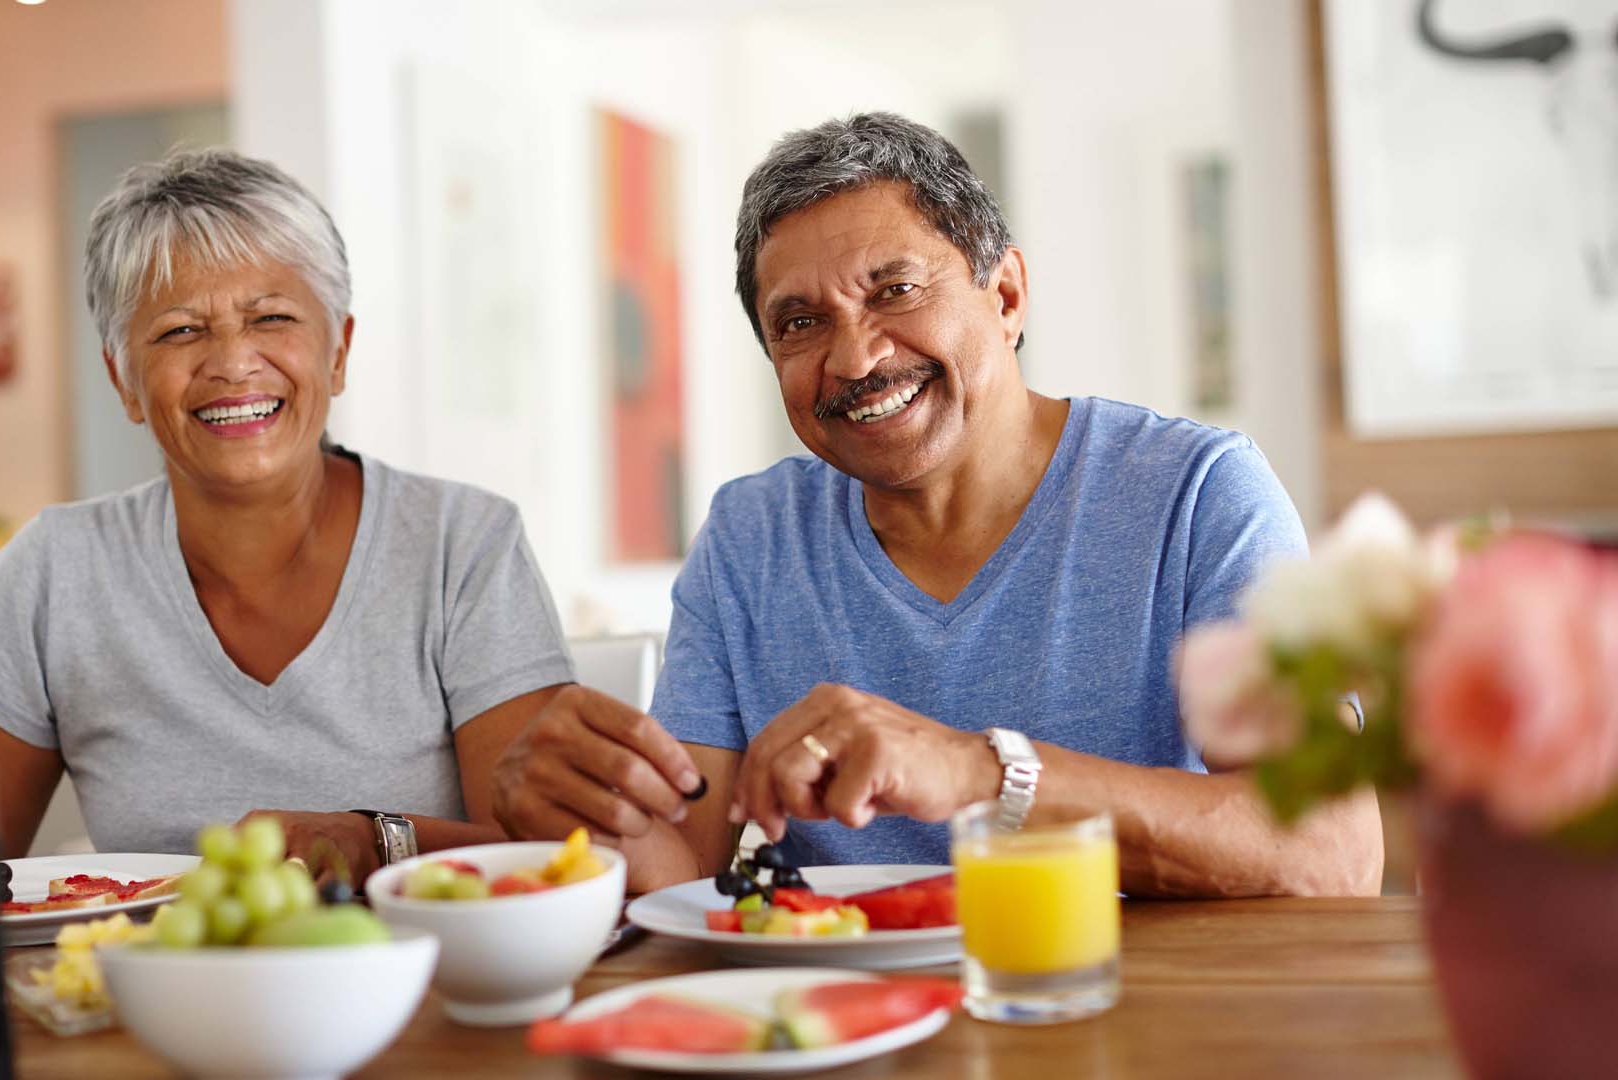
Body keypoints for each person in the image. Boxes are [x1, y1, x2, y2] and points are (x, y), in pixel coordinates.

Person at [493, 112, 1383, 897]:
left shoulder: (1198, 495)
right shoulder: (751, 536)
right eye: (799, 323)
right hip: (846, 1024)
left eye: (895, 291)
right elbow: (681, 872)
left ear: (1005, 295)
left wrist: (979, 772)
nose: (853, 359)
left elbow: (1329, 850)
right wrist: (577, 812)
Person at [0, 150, 574, 884]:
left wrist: (373, 840)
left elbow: (549, 861)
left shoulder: (464, 545)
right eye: (181, 330)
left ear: (338, 351)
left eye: (272, 317)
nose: (232, 362)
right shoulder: (58, 567)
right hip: (148, 999)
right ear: (123, 378)